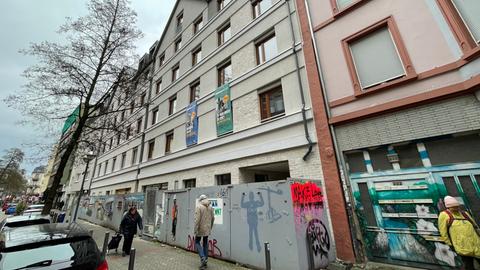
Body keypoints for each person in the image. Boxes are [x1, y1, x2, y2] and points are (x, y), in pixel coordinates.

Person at [438, 196, 480, 270]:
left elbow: (475, 226)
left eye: (457, 206)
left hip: (476, 244)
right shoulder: (444, 215)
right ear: (448, 207)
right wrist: (450, 245)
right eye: (453, 207)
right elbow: (443, 232)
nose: (456, 208)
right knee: (469, 266)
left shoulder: (464, 213)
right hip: (462, 246)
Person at [194, 194, 214, 270]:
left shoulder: (199, 207)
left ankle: (202, 258)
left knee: (197, 242)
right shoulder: (211, 207)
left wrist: (195, 229)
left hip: (200, 229)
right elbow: (213, 218)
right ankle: (205, 261)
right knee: (205, 243)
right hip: (207, 228)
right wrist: (210, 227)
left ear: (201, 200)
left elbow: (197, 220)